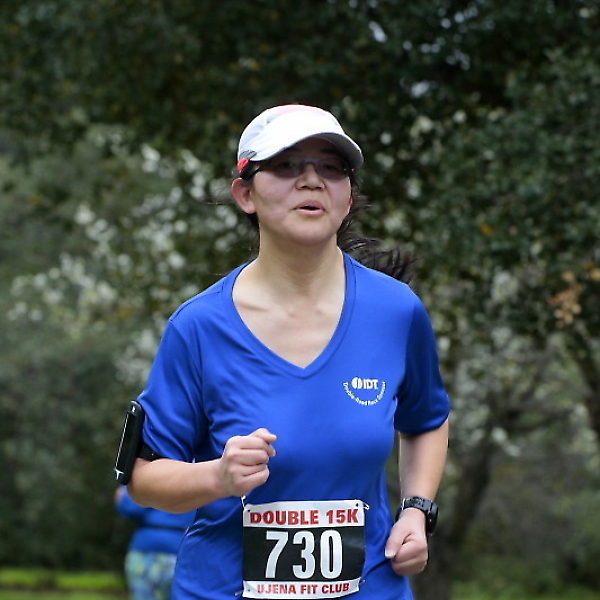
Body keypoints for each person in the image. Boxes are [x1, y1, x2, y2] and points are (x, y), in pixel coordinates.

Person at [128, 104, 450, 600]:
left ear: (347, 197)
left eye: (331, 167)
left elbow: (426, 419)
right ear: (245, 194)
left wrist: (416, 509)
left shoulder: (397, 311)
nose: (311, 180)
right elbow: (143, 479)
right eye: (285, 166)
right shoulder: (198, 327)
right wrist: (217, 476)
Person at [114, 486, 195, 600]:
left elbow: (130, 507)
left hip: (145, 549)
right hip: (180, 547)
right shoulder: (198, 478)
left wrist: (123, 494)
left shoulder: (150, 477)